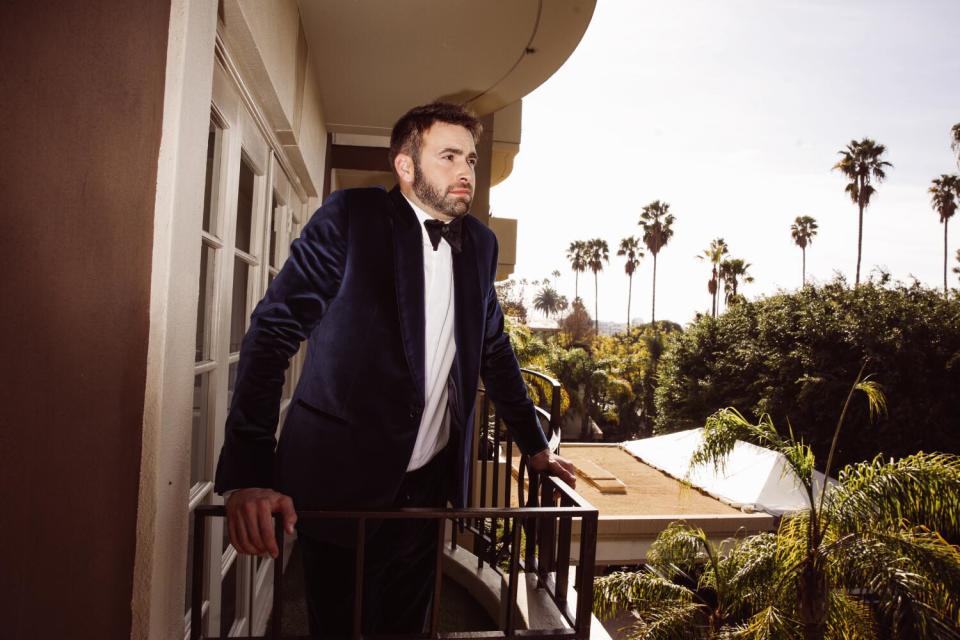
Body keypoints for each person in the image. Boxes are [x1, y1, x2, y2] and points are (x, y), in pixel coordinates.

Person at [214, 102, 576, 636]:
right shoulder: (349, 218)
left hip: (426, 493)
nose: (465, 172)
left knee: (409, 628)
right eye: (448, 156)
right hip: (339, 486)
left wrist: (536, 445)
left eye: (471, 159)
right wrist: (248, 471)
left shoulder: (479, 243)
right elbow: (272, 335)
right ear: (405, 167)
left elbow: (494, 350)